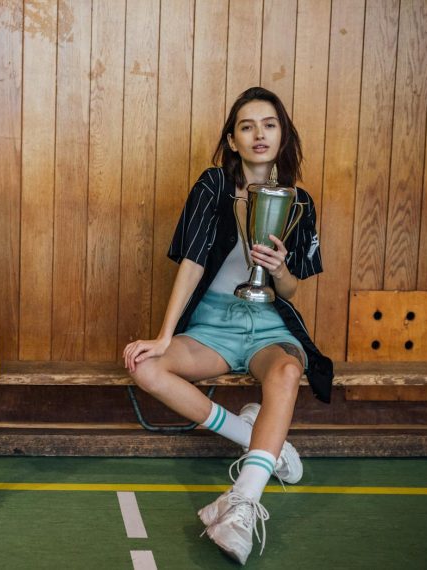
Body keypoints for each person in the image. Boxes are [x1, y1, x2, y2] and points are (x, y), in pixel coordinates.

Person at [123, 87, 333, 564]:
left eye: (269, 124)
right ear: (232, 139)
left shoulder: (300, 201)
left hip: (269, 323)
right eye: (247, 126)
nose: (259, 134)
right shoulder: (214, 186)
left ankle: (242, 503)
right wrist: (163, 334)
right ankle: (259, 440)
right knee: (144, 366)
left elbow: (294, 290)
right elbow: (193, 261)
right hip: (212, 323)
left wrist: (279, 270)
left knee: (286, 373)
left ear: (283, 134)